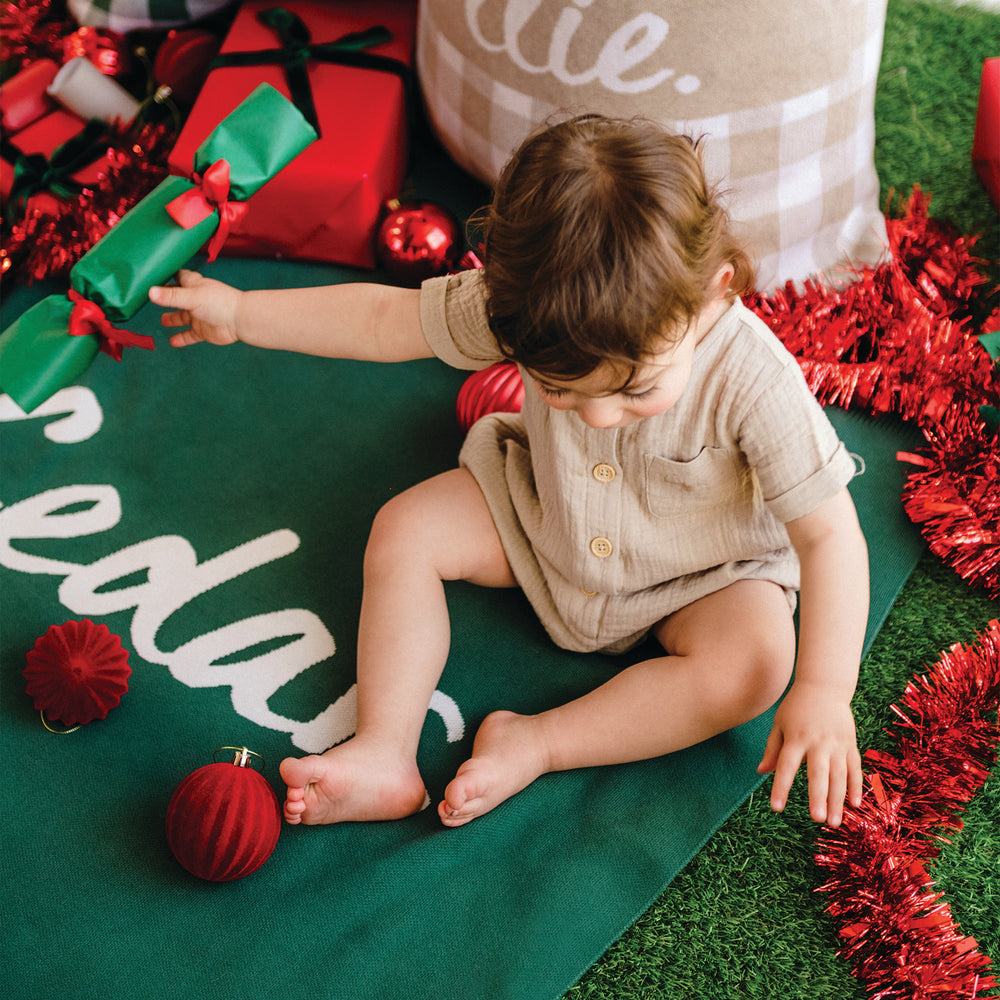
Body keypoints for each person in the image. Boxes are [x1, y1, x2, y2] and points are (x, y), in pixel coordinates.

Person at [149, 113, 868, 831]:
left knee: (756, 666)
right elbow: (382, 322)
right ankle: (382, 752)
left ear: (712, 292)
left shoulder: (754, 379)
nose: (597, 417)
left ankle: (541, 742)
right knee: (405, 531)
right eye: (559, 388)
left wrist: (826, 688)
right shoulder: (528, 302)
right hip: (542, 514)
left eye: (637, 391)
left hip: (705, 578)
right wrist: (242, 312)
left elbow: (829, 536)